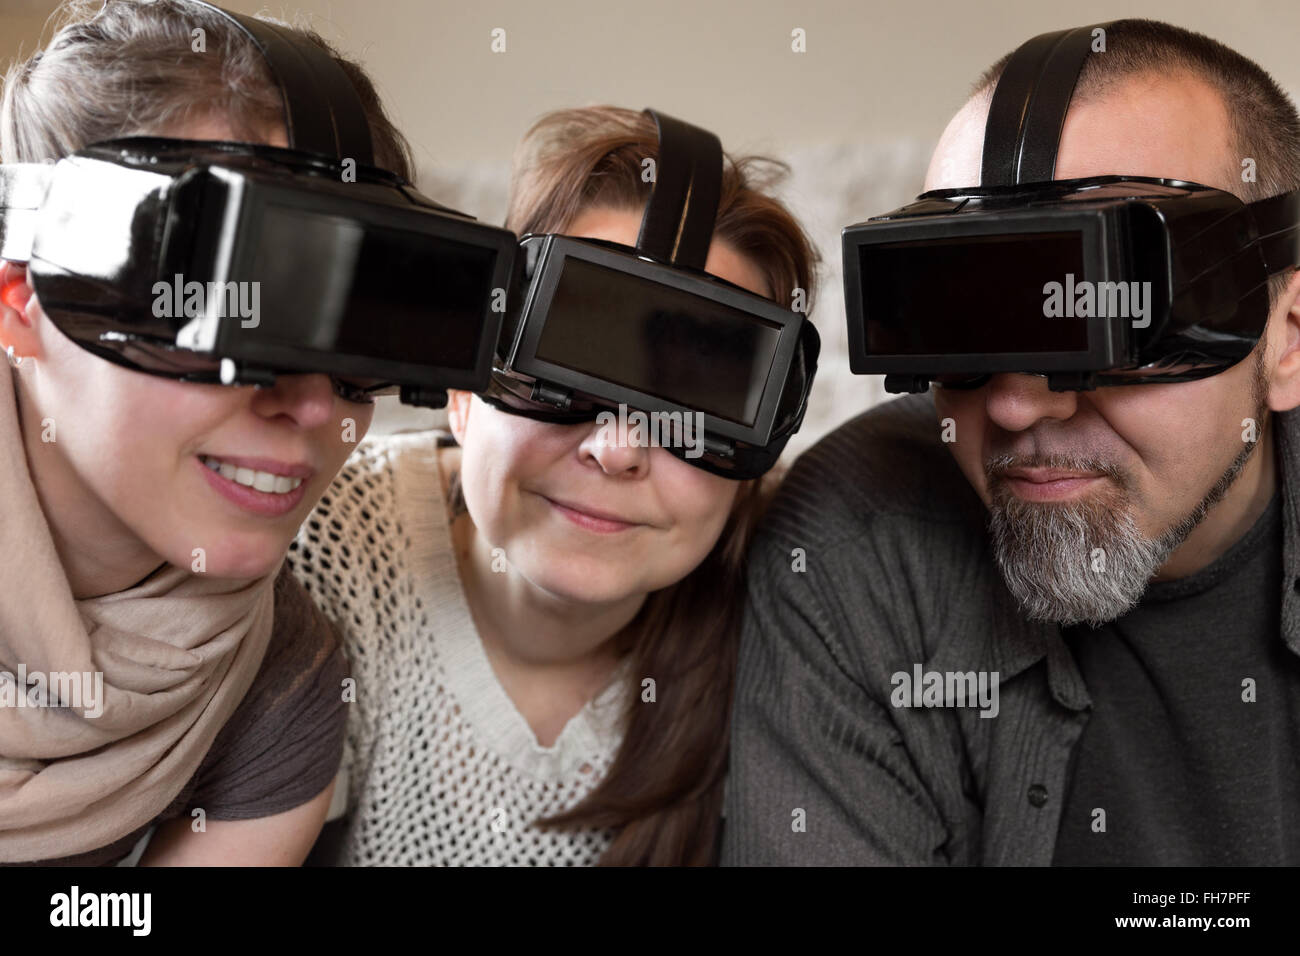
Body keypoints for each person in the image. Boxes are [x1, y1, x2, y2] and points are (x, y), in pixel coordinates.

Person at [723, 18, 1300, 865]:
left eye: (1109, 320)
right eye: (966, 328)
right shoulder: (856, 540)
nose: (1019, 408)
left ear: (1287, 338)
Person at [289, 105, 818, 866]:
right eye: (567, 372)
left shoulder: (802, 610)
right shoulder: (323, 534)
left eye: (689, 409)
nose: (617, 450)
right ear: (465, 384)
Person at [0, 0, 415, 865]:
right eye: (233, 321)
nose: (311, 408)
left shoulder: (282, 685)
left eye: (355, 344)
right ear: (23, 299)